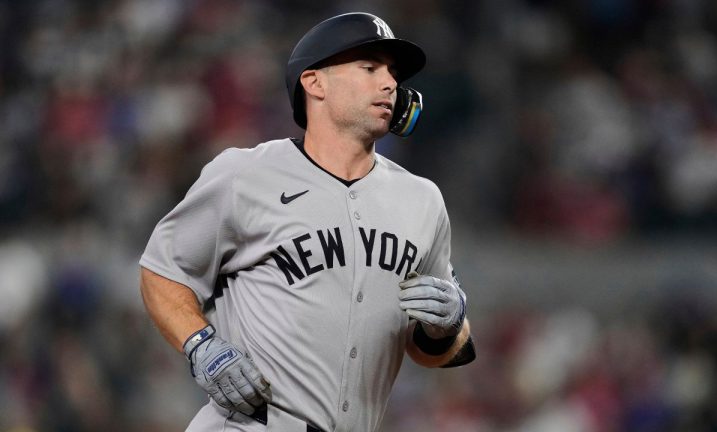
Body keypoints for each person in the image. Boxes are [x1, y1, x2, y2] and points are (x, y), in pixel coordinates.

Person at [139, 12, 476, 432]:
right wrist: (202, 347)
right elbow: (162, 271)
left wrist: (449, 326)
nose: (390, 83)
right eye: (369, 68)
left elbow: (434, 350)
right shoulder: (245, 175)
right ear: (314, 83)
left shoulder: (422, 200)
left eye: (393, 73)